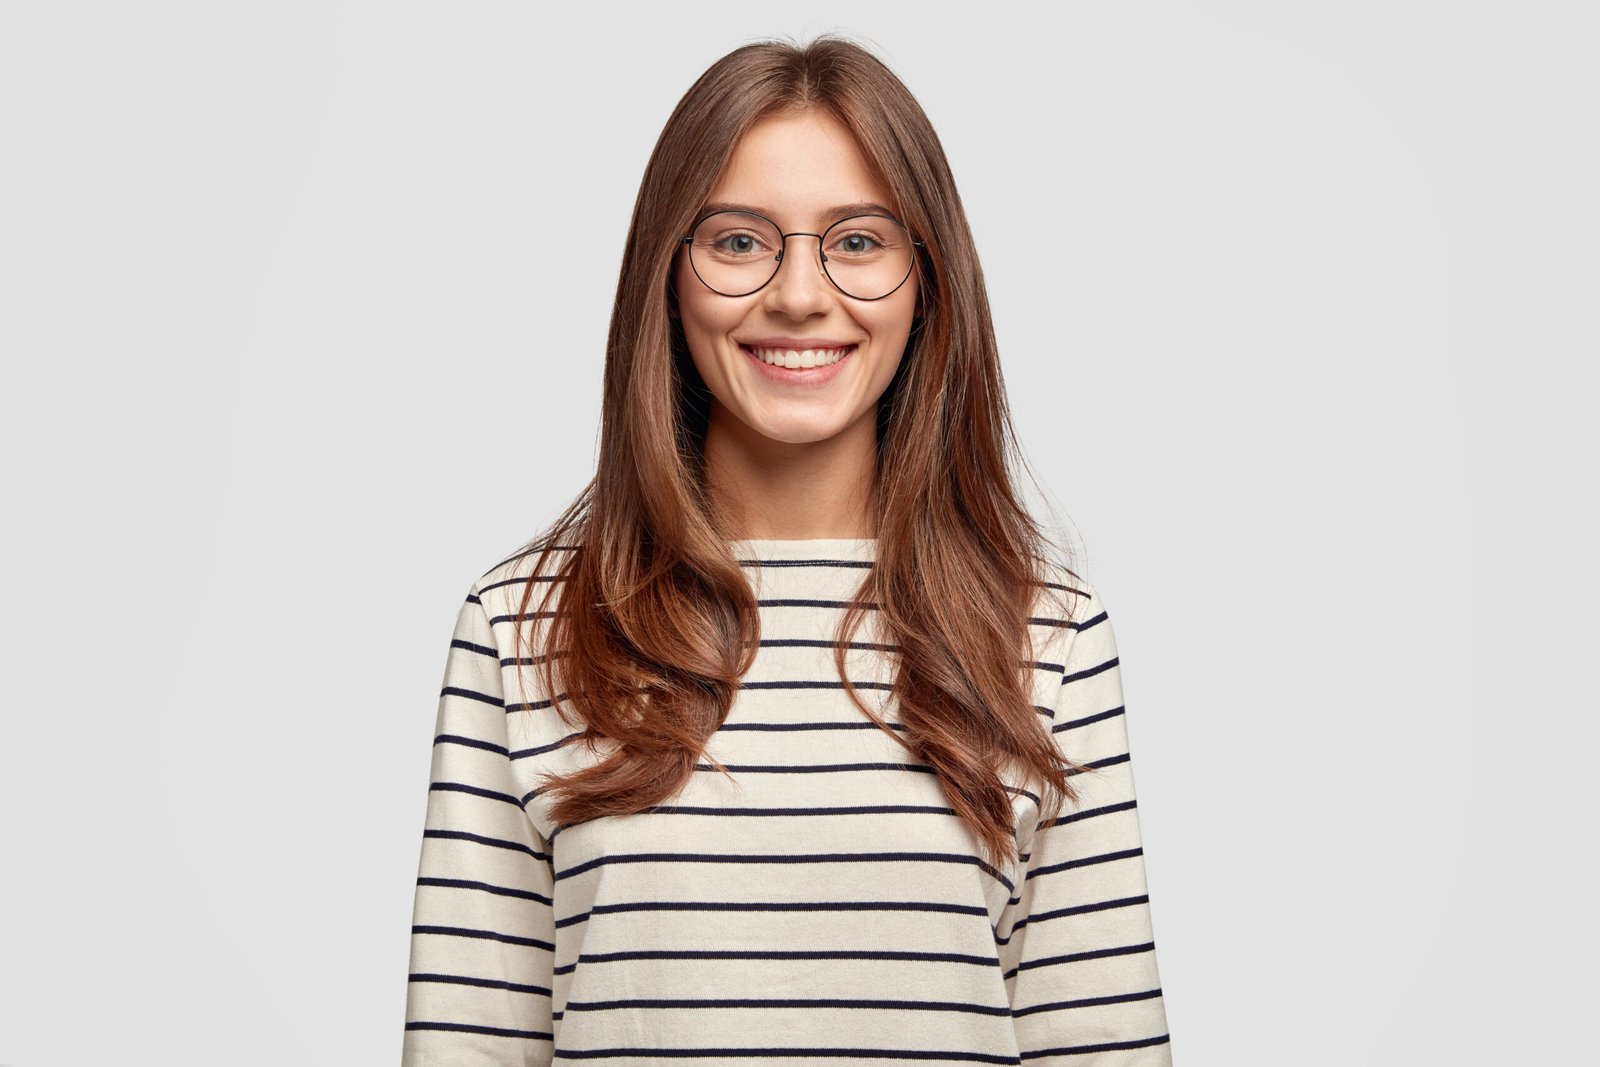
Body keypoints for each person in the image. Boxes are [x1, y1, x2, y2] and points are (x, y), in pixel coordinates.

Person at [401, 34, 1172, 1065]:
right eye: (738, 241)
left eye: (857, 240)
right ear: (667, 278)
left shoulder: (1048, 632)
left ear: (927, 280)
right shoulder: (522, 627)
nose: (800, 294)